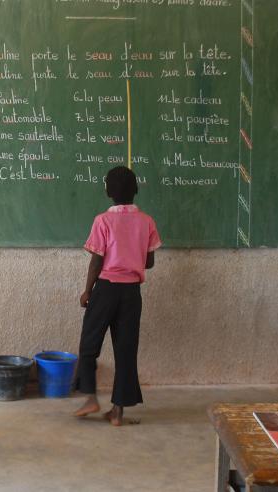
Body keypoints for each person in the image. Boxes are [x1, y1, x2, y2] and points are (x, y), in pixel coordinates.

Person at [73, 166, 161, 426]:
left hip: (106, 289)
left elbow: (96, 261)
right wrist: (130, 257)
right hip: (131, 293)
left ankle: (90, 397)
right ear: (136, 191)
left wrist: (88, 290)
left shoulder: (103, 220)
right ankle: (118, 412)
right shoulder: (146, 222)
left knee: (89, 342)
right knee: (126, 350)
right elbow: (149, 262)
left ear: (108, 192)